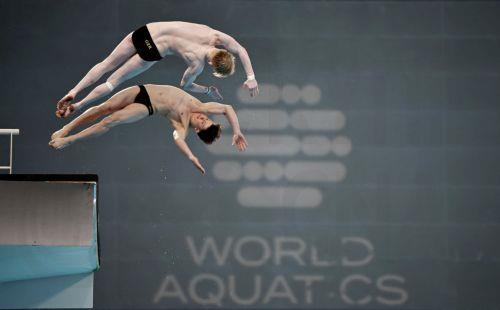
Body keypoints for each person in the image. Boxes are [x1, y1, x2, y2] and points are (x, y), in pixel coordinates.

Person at [56, 21, 259, 118]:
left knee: (105, 65)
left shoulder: (215, 36)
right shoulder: (196, 64)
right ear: (212, 66)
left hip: (145, 32)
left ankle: (72, 92)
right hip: (153, 51)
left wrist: (251, 76)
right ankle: (80, 105)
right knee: (112, 82)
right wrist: (207, 90)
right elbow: (185, 86)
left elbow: (240, 49)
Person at [49, 84, 248, 174]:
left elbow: (178, 139)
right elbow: (227, 108)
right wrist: (237, 130)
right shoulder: (202, 106)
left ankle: (69, 140)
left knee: (110, 121)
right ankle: (67, 128)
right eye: (207, 119)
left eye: (203, 123)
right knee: (104, 108)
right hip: (142, 90)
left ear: (197, 130)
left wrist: (191, 157)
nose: (202, 117)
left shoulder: (183, 125)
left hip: (146, 107)